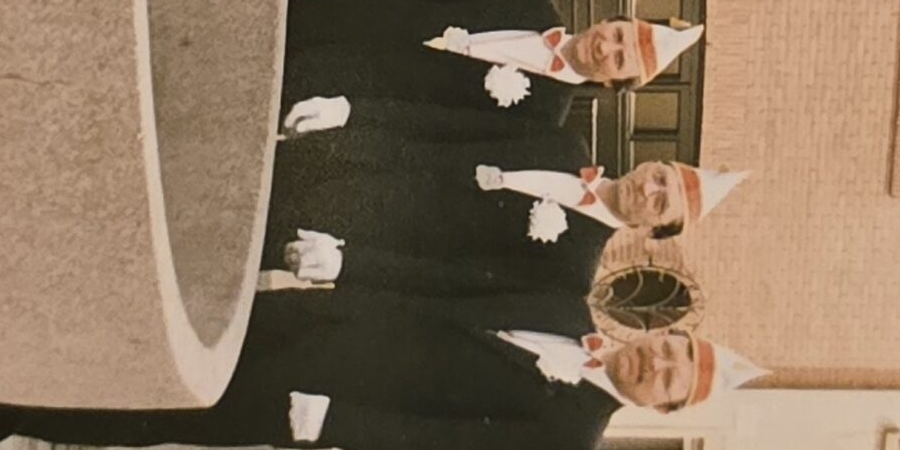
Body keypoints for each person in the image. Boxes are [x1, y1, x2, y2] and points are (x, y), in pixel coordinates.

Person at [0, 291, 762, 450]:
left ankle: (8, 411)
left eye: (670, 382)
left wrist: (335, 424)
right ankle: (25, 352)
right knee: (170, 332)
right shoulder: (563, 302)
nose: (657, 364)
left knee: (169, 408)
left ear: (663, 409)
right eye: (671, 349)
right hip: (341, 317)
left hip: (329, 400)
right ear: (660, 331)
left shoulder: (569, 441)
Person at [266, 110, 746, 299]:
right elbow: (451, 127)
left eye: (661, 204)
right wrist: (351, 121)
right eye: (660, 178)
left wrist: (349, 264)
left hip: (358, 234)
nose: (648, 190)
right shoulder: (566, 144)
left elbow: (452, 280)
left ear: (651, 231)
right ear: (651, 163)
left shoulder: (572, 270)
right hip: (353, 163)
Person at [281, 0, 705, 123]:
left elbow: (439, 125)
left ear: (612, 84)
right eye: (618, 34)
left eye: (619, 59)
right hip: (352, 17)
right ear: (608, 21)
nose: (606, 46)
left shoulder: (544, 115)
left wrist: (349, 114)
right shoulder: (531, 0)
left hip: (357, 89)